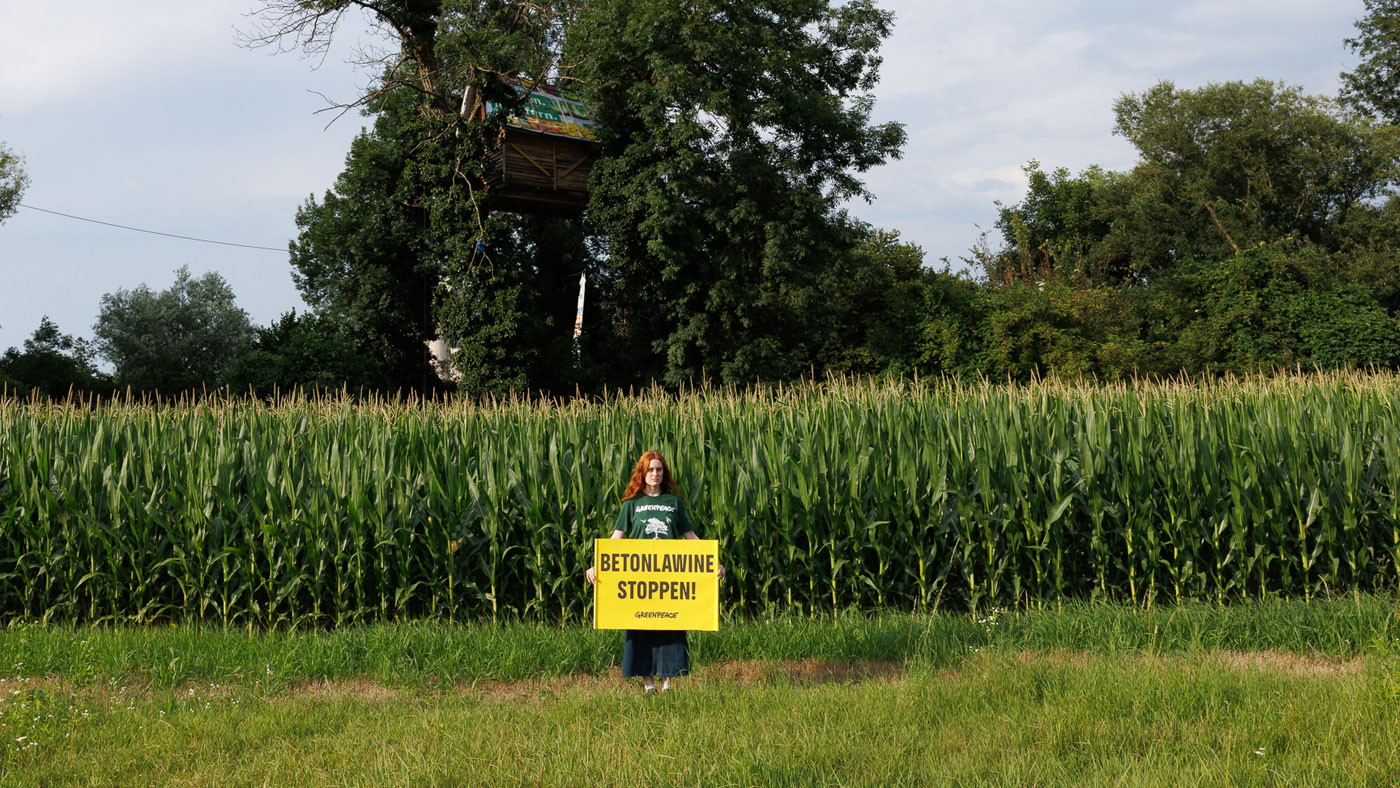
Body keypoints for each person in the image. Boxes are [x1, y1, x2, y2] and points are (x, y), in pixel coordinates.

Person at [585, 450, 724, 693]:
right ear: (642, 473)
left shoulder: (674, 503)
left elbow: (690, 537)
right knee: (640, 627)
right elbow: (616, 538)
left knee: (671, 625)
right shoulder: (632, 504)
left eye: (659, 469)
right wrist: (598, 565)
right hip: (640, 579)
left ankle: (668, 682)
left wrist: (713, 562)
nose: (655, 473)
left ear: (664, 473)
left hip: (668, 578)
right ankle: (649, 684)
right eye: (650, 469)